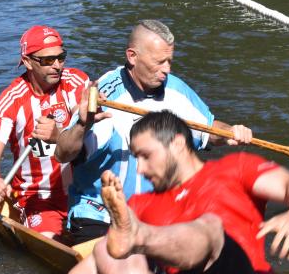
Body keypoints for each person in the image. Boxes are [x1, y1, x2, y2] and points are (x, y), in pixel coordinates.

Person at [62, 111, 289, 274]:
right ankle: (137, 240)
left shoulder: (234, 168)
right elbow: (94, 268)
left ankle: (140, 238)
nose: (139, 169)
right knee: (104, 253)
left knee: (211, 228)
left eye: (145, 156)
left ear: (176, 145)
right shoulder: (139, 205)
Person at [55, 19, 253, 244]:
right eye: (159, 62)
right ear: (132, 57)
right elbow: (63, 154)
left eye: (169, 61)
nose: (167, 69)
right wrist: (83, 125)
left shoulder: (176, 90)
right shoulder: (103, 95)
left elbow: (209, 129)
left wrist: (231, 133)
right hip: (100, 214)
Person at [0, 25, 89, 238]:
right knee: (50, 239)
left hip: (82, 190)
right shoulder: (11, 100)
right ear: (28, 62)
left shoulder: (75, 82)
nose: (57, 66)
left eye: (61, 57)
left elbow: (86, 124)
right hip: (38, 196)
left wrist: (60, 134)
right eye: (47, 60)